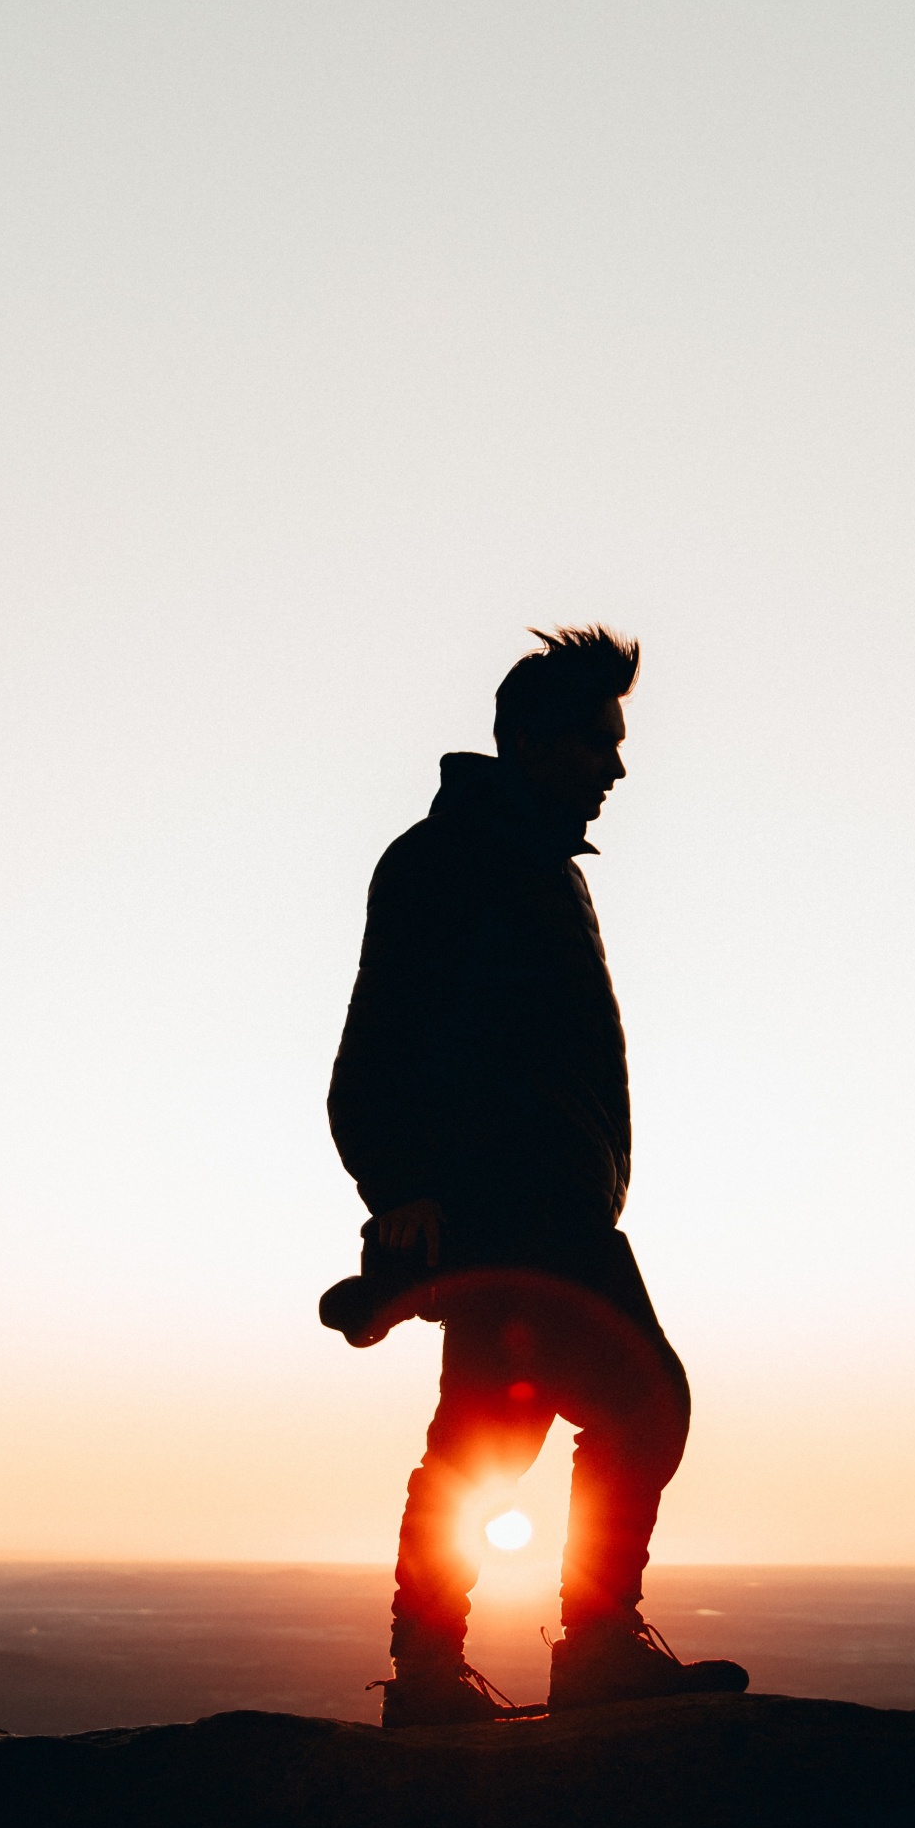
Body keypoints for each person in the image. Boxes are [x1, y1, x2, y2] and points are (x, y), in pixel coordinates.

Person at [327, 626, 748, 1729]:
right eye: (599, 742)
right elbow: (377, 1044)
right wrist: (398, 1187)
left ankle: (430, 1675)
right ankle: (593, 1647)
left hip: (539, 1203)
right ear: (534, 744)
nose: (618, 767)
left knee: (487, 1440)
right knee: (645, 1405)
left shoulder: (527, 863)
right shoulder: (448, 859)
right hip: (517, 1208)